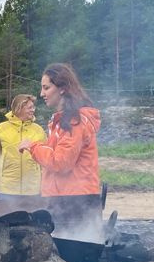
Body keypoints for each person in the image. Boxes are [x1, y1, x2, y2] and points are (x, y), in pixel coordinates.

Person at [17, 63, 102, 226]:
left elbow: (61, 162)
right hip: (65, 199)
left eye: (46, 88)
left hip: (75, 202)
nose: (42, 93)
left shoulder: (74, 122)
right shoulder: (62, 121)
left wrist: (33, 147)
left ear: (62, 88)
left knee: (73, 249)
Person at [0, 94, 46, 198]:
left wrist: (45, 185)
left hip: (33, 189)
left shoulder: (39, 130)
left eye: (33, 107)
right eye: (30, 107)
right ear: (19, 108)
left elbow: (45, 159)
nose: (33, 110)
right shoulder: (1, 129)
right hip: (7, 190)